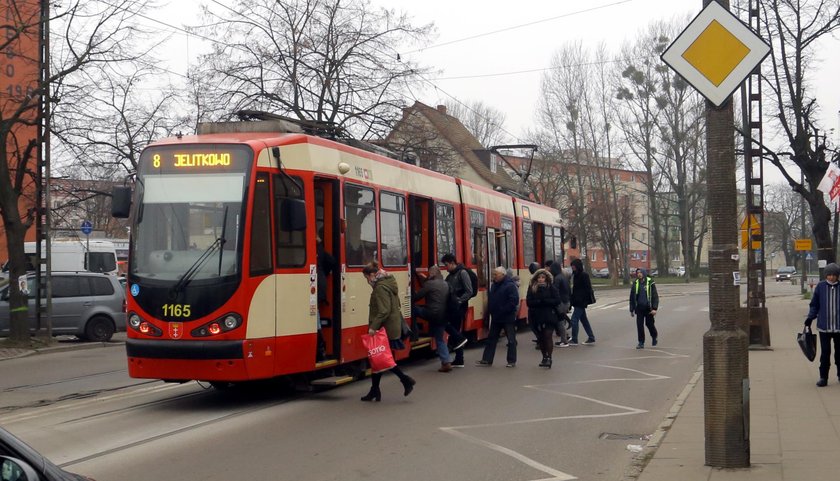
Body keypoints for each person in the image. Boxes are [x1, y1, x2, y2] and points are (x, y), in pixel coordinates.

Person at [361, 261, 416, 401]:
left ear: (373, 274)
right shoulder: (388, 283)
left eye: (367, 277)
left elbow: (383, 310)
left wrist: (373, 327)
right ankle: (374, 390)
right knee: (376, 358)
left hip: (385, 328)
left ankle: (405, 380)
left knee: (383, 358)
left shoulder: (380, 288)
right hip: (391, 325)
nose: (367, 281)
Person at [476, 266, 520, 367]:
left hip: (507, 317)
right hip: (496, 317)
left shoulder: (510, 286)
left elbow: (513, 301)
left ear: (503, 275)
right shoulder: (494, 285)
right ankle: (487, 359)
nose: (494, 276)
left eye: (496, 274)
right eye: (494, 274)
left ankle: (511, 361)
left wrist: (503, 310)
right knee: (491, 339)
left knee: (511, 340)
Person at [804, 262, 840, 387]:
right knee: (825, 353)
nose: (831, 277)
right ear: (826, 275)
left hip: (838, 328)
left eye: (834, 275)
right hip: (824, 327)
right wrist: (810, 318)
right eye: (829, 275)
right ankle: (823, 377)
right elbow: (814, 305)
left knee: (839, 352)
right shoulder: (820, 287)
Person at [413, 266, 453, 372]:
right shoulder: (445, 283)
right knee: (440, 339)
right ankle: (446, 361)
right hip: (444, 315)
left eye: (430, 273)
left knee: (413, 310)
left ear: (432, 274)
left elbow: (417, 297)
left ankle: (414, 333)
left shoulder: (429, 284)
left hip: (431, 314)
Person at [441, 253, 472, 367]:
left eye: (446, 265)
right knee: (454, 331)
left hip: (459, 307)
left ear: (452, 263)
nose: (446, 267)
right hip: (452, 307)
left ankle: (459, 358)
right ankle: (458, 358)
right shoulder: (450, 275)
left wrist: (459, 301)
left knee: (455, 331)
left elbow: (469, 291)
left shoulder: (462, 273)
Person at [526, 268, 561, 368]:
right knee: (541, 338)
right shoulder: (532, 288)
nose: (541, 279)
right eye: (539, 278)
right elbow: (529, 302)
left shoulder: (551, 287)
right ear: (536, 279)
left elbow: (557, 300)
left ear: (546, 279)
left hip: (549, 315)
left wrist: (546, 301)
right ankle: (544, 357)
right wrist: (538, 302)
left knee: (548, 335)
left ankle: (549, 358)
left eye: (543, 278)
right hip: (537, 316)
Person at [316, 234, 338, 361]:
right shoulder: (320, 248)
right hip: (320, 283)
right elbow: (331, 261)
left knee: (315, 316)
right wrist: (325, 272)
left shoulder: (315, 248)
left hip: (317, 285)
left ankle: (320, 348)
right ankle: (321, 348)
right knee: (315, 314)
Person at [629, 268, 659, 349]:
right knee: (639, 325)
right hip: (639, 308)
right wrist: (631, 309)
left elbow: (655, 296)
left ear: (644, 273)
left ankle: (654, 336)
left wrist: (654, 308)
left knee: (649, 324)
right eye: (638, 273)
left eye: (640, 272)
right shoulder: (635, 283)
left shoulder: (650, 282)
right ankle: (641, 342)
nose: (639, 274)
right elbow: (632, 297)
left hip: (648, 308)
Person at [569, 258, 596, 345]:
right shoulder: (576, 275)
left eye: (573, 266)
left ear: (577, 266)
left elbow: (588, 289)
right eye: (572, 266)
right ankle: (591, 337)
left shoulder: (584, 275)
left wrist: (584, 301)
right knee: (584, 320)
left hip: (581, 301)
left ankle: (574, 339)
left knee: (574, 319)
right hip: (577, 301)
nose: (572, 268)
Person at [549, 262, 571, 348]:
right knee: (561, 320)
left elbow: (555, 291)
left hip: (561, 303)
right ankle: (564, 339)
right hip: (566, 301)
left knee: (560, 322)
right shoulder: (563, 277)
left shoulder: (557, 278)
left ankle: (564, 341)